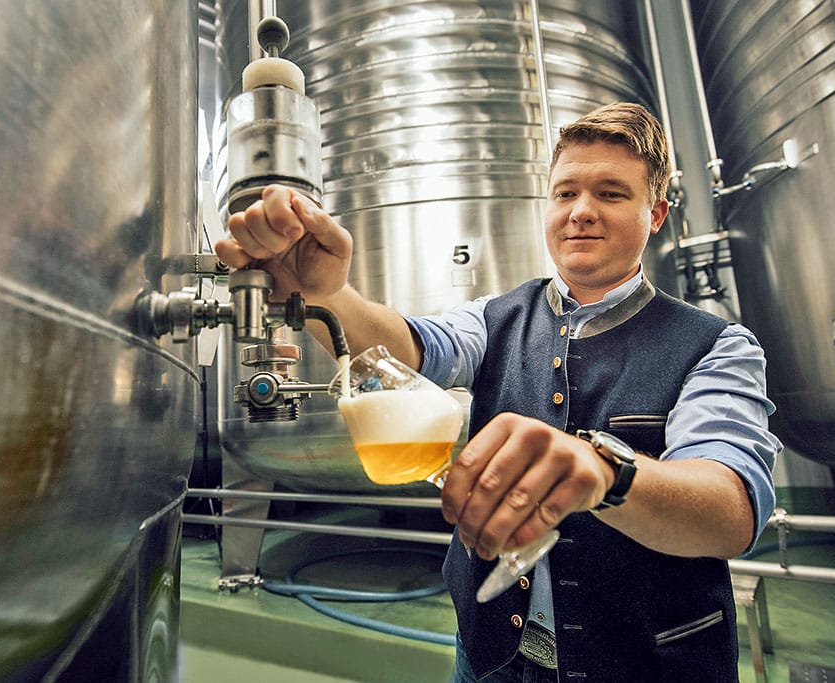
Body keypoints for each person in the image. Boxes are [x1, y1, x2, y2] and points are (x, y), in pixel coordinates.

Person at [215, 102, 781, 682]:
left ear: (655, 214)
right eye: (565, 193)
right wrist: (327, 294)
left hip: (646, 668)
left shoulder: (716, 345)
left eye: (611, 194)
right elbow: (412, 350)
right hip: (491, 659)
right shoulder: (496, 316)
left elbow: (732, 509)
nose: (581, 211)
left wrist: (608, 472)